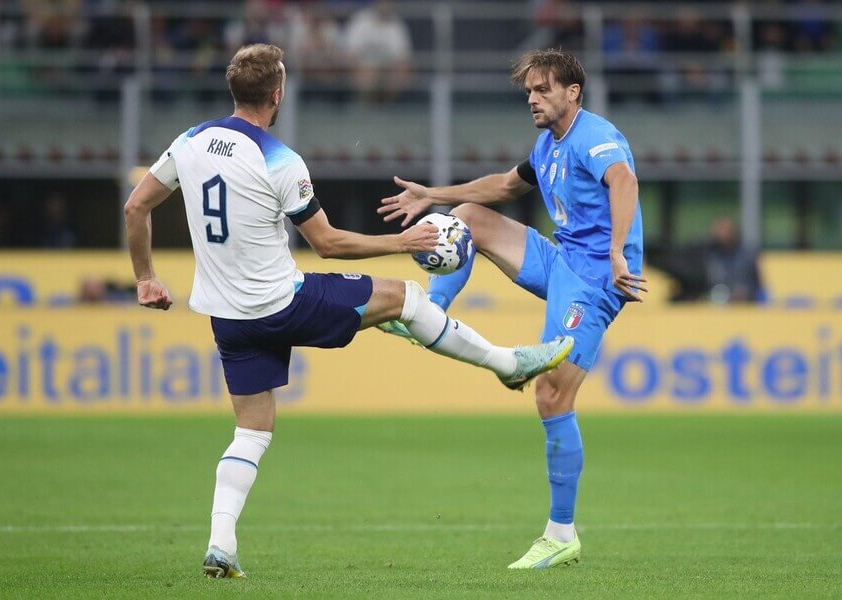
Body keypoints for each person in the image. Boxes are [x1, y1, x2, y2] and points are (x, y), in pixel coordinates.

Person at [123, 43, 573, 580]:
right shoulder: (281, 161)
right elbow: (329, 245)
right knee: (404, 297)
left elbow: (136, 206)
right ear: (278, 93)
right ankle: (507, 362)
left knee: (252, 431)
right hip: (284, 303)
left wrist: (146, 278)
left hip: (227, 317)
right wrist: (404, 242)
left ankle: (221, 545)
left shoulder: (190, 141)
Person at [378, 48, 647, 569]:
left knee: (550, 395)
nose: (532, 98)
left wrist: (617, 252)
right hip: (562, 258)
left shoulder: (596, 136)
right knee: (467, 218)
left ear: (573, 92)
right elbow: (504, 186)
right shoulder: (547, 145)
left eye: (542, 89)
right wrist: (431, 194)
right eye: (528, 91)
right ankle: (431, 313)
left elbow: (625, 181)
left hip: (594, 279)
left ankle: (561, 533)